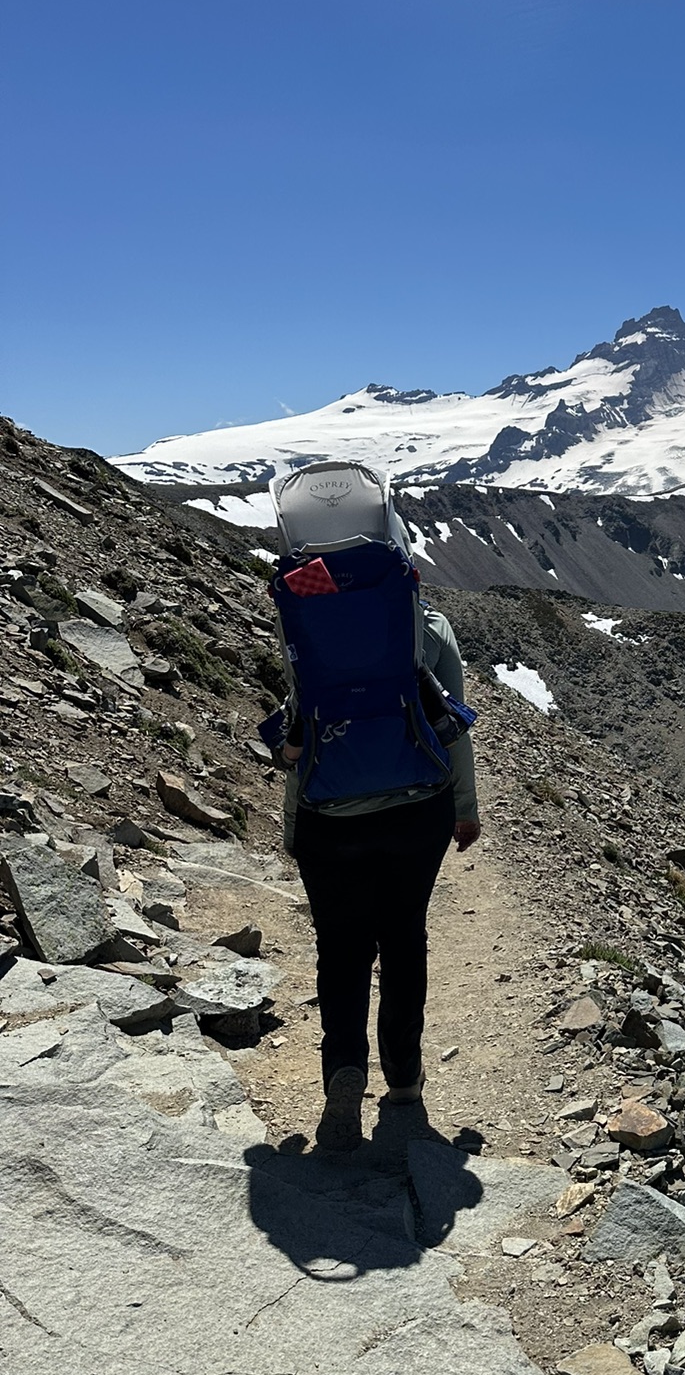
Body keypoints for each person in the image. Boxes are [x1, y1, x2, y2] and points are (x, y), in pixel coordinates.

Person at [265, 462, 480, 1153]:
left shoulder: (306, 612)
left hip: (331, 812)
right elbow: (453, 726)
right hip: (418, 807)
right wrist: (464, 809)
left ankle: (343, 1074)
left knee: (342, 949)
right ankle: (406, 1080)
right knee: (404, 939)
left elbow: (299, 715)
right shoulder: (430, 626)